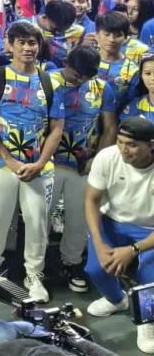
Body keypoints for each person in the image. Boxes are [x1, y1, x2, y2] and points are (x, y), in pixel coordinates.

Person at [0, 21, 66, 303]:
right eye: (22, 42)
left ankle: (34, 274)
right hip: (1, 164)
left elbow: (57, 128)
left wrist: (39, 163)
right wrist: (8, 159)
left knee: (38, 222)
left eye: (33, 43)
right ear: (10, 45)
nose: (28, 48)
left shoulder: (52, 82)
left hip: (39, 167)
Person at [83, 116, 154, 354]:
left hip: (149, 229)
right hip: (112, 221)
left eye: (132, 145)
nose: (124, 149)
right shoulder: (108, 156)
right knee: (96, 268)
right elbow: (92, 201)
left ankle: (147, 319)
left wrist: (134, 250)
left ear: (151, 145)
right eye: (120, 141)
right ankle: (117, 300)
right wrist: (99, 242)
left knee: (149, 276)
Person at [51, 46, 117, 294]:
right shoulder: (49, 81)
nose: (81, 81)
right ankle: (33, 266)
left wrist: (97, 159)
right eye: (77, 75)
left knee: (79, 219)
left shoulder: (102, 88)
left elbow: (110, 127)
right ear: (66, 62)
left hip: (83, 164)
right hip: (50, 161)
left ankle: (72, 263)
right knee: (40, 218)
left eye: (87, 77)